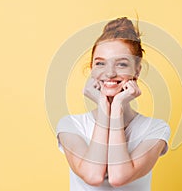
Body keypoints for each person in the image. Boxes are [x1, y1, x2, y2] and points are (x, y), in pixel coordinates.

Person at [56, 17, 171, 191]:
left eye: (122, 64)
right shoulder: (70, 125)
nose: (109, 73)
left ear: (137, 70)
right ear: (92, 68)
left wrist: (116, 108)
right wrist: (104, 107)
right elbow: (93, 175)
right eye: (100, 63)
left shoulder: (156, 129)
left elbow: (119, 177)